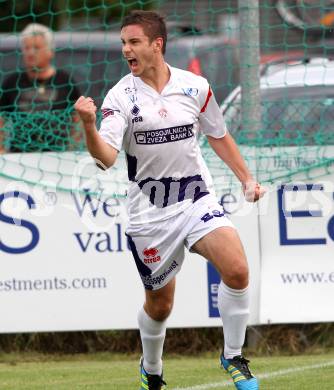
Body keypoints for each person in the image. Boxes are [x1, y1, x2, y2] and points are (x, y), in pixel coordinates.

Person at [75, 10, 265, 390]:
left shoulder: (195, 86)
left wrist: (246, 178)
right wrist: (88, 126)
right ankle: (152, 367)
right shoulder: (120, 96)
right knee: (161, 306)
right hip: (150, 215)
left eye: (134, 42)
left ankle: (233, 355)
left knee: (238, 270)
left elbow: (218, 134)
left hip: (196, 198)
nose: (126, 50)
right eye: (123, 44)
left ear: (156, 45)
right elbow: (105, 159)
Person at [0, 23, 81, 153]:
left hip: (57, 156)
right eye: (27, 48)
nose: (30, 53)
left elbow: (78, 119)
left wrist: (72, 150)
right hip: (18, 158)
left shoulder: (64, 81)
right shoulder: (12, 82)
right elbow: (1, 119)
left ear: (50, 52)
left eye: (36, 48)